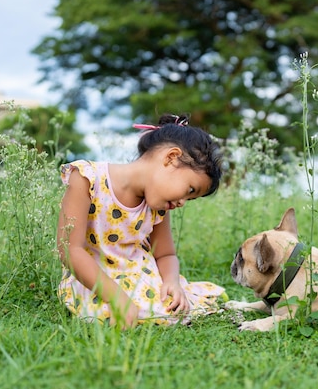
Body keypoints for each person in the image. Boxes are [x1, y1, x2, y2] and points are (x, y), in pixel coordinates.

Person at [56, 113, 225, 329]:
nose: (182, 202)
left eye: (190, 198)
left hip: (140, 276)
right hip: (95, 279)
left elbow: (166, 254)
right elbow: (71, 250)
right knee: (131, 310)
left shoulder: (158, 205)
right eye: (189, 190)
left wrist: (172, 281)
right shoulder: (88, 178)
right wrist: (116, 297)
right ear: (171, 158)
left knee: (175, 305)